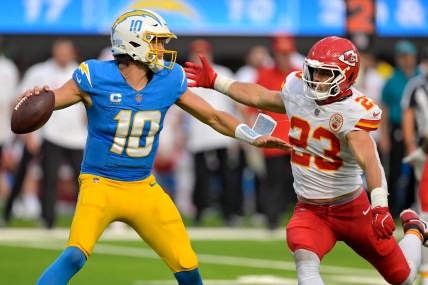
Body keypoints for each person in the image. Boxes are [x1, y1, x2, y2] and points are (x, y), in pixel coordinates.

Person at [20, 9, 290, 285]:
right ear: (134, 43)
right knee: (75, 255)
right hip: (100, 184)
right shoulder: (95, 75)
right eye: (157, 41)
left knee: (187, 266)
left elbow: (213, 115)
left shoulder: (170, 78)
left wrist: (251, 136)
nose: (163, 48)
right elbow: (52, 100)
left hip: (143, 187)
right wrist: (38, 99)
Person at [185, 35, 428, 285]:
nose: (316, 79)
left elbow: (370, 161)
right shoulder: (298, 89)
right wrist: (217, 81)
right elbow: (260, 97)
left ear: (347, 76)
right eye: (313, 70)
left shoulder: (354, 110)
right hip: (310, 209)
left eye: (325, 73)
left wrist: (379, 205)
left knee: (403, 278)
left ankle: (414, 230)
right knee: (305, 260)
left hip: (352, 208)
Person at [3, 38, 86, 228]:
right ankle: (45, 219)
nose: (62, 55)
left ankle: (84, 219)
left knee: (82, 180)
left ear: (73, 52)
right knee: (46, 177)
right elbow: (21, 100)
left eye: (66, 51)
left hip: (76, 136)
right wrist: (28, 134)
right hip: (49, 134)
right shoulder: (40, 71)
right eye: (59, 50)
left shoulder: (82, 73)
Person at [379, 40, 420, 217]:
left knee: (416, 170)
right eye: (402, 56)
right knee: (394, 171)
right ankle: (392, 210)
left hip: (419, 129)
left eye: (408, 56)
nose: (406, 60)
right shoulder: (391, 80)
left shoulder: (420, 77)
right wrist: (384, 136)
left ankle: (411, 206)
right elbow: (385, 109)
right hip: (396, 130)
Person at [0, 36, 19, 202]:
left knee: (7, 166)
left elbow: (13, 100)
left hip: (3, 128)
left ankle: (12, 202)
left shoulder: (8, 68)